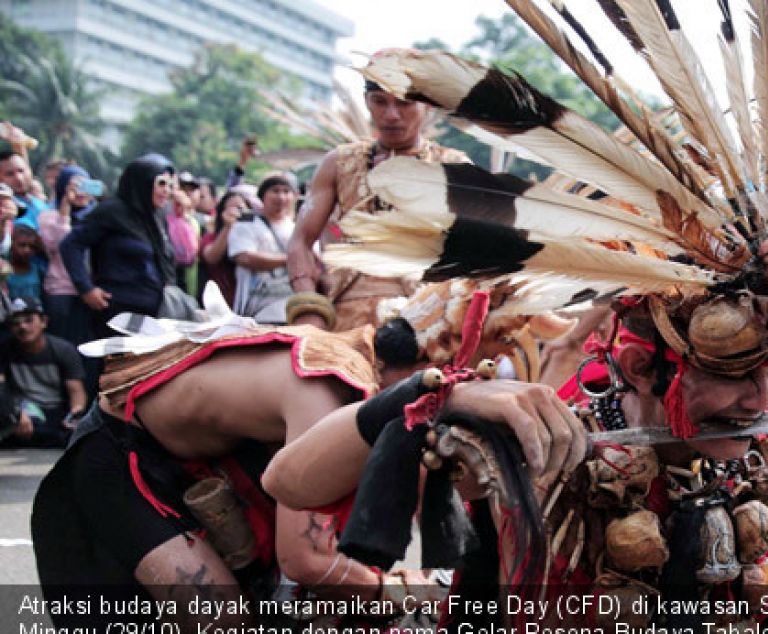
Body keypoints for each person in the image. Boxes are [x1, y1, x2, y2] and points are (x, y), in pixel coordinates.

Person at [261, 40, 768, 630]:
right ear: (647, 362)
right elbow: (288, 481)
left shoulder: (761, 441)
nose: (765, 398)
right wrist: (436, 399)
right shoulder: (546, 441)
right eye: (739, 374)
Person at [31, 281, 564, 630]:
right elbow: (305, 560)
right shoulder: (332, 389)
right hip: (120, 462)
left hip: (195, 459)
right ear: (418, 373)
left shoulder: (360, 361)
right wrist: (406, 592)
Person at [285, 63, 469, 331]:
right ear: (367, 102)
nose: (391, 115)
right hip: (345, 316)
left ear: (428, 107)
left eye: (404, 104)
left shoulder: (455, 167)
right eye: (380, 102)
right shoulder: (339, 162)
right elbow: (300, 240)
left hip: (428, 317)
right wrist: (308, 306)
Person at [59, 154, 177, 339]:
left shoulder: (156, 216)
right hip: (117, 310)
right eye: (161, 183)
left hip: (154, 310)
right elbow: (70, 244)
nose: (167, 191)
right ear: (143, 182)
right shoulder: (112, 211)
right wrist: (86, 288)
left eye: (170, 185)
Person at [0, 297, 86, 448]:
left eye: (28, 320)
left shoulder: (63, 350)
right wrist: (15, 412)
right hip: (19, 410)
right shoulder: (5, 349)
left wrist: (75, 415)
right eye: (16, 323)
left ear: (44, 322)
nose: (22, 327)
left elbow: (76, 391)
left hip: (52, 411)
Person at [37, 164, 97, 347]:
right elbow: (58, 246)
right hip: (61, 290)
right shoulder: (48, 217)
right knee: (61, 343)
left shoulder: (97, 217)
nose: (80, 192)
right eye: (74, 186)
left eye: (84, 186)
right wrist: (64, 213)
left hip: (91, 291)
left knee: (88, 344)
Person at [227, 172, 297, 322]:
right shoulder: (246, 223)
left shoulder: (297, 228)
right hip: (255, 307)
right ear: (263, 196)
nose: (281, 197)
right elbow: (244, 257)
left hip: (291, 304)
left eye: (286, 191)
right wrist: (289, 260)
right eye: (275, 191)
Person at [198, 189, 246, 305]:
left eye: (240, 209)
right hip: (219, 302)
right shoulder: (211, 237)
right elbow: (211, 257)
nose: (236, 213)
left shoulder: (252, 238)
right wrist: (227, 227)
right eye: (230, 209)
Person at [0, 150, 49, 230]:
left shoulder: (40, 204)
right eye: (10, 174)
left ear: (30, 171)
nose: (19, 178)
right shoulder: (4, 210)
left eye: (21, 171)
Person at [5, 225, 47, 302]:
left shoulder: (39, 270)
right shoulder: (3, 270)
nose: (27, 250)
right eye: (22, 245)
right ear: (11, 245)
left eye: (32, 247)